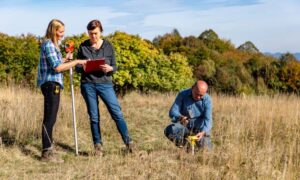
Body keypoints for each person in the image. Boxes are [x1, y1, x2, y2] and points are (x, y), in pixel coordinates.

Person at [75, 19, 134, 155]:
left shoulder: (108, 46)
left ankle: (129, 143)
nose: (93, 36)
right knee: (94, 116)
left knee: (117, 113)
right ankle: (98, 146)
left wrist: (110, 68)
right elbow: (77, 67)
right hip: (88, 84)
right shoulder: (83, 46)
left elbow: (115, 66)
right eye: (90, 34)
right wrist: (82, 66)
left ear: (101, 31)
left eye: (95, 33)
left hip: (105, 84)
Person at [37, 19, 87, 162]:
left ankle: (49, 148)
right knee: (49, 119)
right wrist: (76, 62)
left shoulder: (53, 46)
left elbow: (58, 63)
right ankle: (47, 153)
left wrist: (66, 59)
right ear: (53, 31)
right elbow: (57, 68)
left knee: (51, 118)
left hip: (53, 84)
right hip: (51, 84)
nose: (62, 35)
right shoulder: (49, 45)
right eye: (60, 32)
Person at [164, 80, 213, 150]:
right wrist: (180, 117)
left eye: (201, 95)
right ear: (192, 88)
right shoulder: (182, 94)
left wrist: (203, 132)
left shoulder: (207, 100)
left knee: (207, 150)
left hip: (199, 130)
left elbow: (208, 120)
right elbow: (173, 111)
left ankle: (197, 147)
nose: (199, 97)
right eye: (197, 94)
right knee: (169, 130)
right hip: (184, 128)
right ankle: (187, 147)